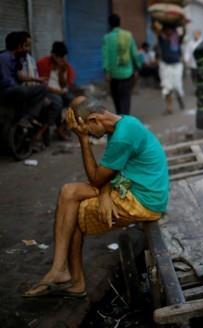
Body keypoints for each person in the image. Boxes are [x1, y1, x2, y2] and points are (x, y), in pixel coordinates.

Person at [23, 96, 169, 297]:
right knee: (68, 191)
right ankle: (60, 270)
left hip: (143, 201)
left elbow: (96, 179)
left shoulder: (122, 136)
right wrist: (106, 192)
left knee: (72, 212)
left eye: (88, 130)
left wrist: (83, 140)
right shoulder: (124, 122)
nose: (90, 136)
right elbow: (110, 174)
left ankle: (72, 279)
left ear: (94, 119)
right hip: (133, 187)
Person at [0, 31, 47, 127]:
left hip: (15, 89)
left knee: (42, 88)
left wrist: (37, 80)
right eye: (26, 46)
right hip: (5, 91)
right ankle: (19, 116)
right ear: (19, 46)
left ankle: (27, 117)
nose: (28, 49)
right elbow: (6, 81)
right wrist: (21, 86)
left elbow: (19, 75)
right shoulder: (4, 58)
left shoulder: (18, 59)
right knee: (21, 90)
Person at [102, 14, 141, 115]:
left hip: (113, 75)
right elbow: (134, 54)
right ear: (120, 23)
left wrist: (106, 72)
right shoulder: (128, 35)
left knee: (117, 100)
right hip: (127, 73)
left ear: (109, 24)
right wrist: (137, 67)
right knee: (125, 99)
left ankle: (120, 118)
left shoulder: (107, 38)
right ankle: (125, 119)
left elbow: (105, 56)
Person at [37, 41, 76, 140]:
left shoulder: (65, 66)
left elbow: (65, 85)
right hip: (47, 91)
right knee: (57, 102)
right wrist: (57, 91)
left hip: (60, 91)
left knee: (76, 102)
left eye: (63, 57)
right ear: (53, 55)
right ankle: (43, 130)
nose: (62, 59)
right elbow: (42, 84)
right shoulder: (43, 63)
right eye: (60, 57)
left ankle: (62, 127)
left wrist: (62, 73)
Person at [153, 21, 185, 114]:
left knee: (177, 86)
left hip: (177, 66)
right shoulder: (161, 38)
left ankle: (179, 98)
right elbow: (155, 27)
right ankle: (169, 107)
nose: (169, 32)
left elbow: (183, 30)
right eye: (167, 30)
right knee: (167, 87)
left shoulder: (177, 39)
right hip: (165, 66)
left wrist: (181, 21)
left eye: (170, 29)